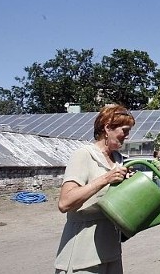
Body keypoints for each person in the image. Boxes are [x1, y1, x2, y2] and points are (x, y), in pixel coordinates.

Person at [55, 104, 135, 274]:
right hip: (83, 253)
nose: (127, 136)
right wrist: (106, 179)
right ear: (107, 128)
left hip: (111, 250)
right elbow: (64, 203)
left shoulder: (119, 159)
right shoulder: (84, 155)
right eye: (125, 130)